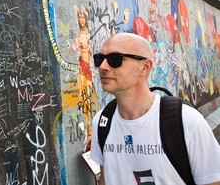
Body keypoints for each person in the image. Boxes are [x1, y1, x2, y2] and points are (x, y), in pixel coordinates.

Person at [90, 33, 220, 185]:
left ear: (145, 67)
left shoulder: (186, 121)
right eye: (100, 59)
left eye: (115, 59)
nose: (103, 67)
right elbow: (105, 180)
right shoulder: (102, 122)